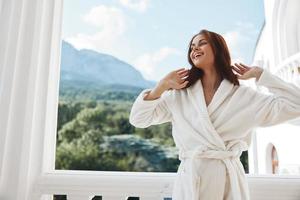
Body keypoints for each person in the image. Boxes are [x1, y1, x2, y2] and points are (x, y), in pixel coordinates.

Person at [129, 29, 300, 200]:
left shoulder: (244, 96)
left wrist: (261, 75)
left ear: (218, 49)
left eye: (202, 43)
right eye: (191, 47)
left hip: (228, 183)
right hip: (191, 182)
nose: (194, 49)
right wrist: (161, 86)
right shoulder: (179, 95)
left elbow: (296, 104)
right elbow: (138, 119)